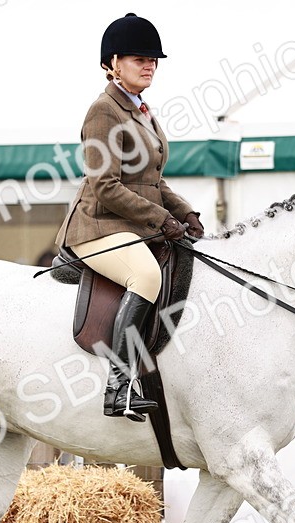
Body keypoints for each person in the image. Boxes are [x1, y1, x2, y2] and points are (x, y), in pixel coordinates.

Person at [55, 12, 205, 422]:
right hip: (98, 225)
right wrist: (160, 219)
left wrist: (184, 212)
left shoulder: (142, 111)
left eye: (153, 59)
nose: (149, 65)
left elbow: (152, 181)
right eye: (140, 58)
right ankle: (119, 387)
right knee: (147, 277)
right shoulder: (104, 111)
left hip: (131, 224)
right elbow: (105, 185)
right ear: (113, 63)